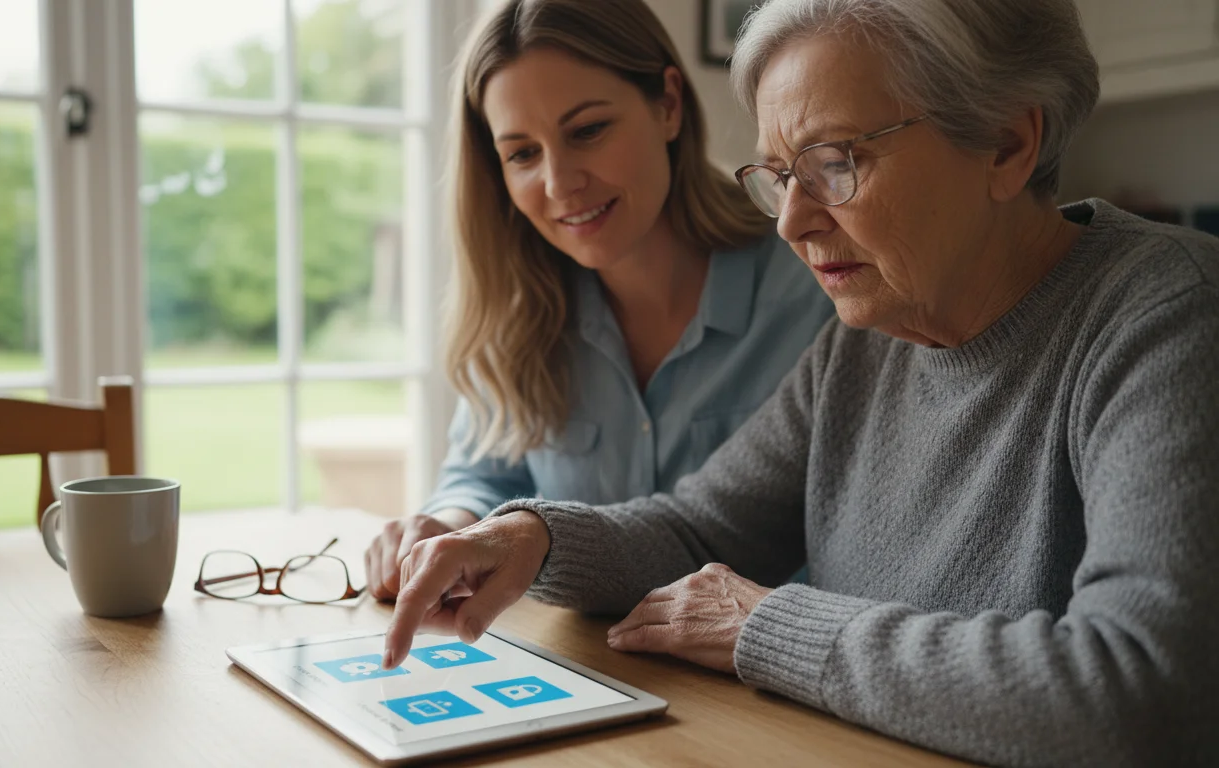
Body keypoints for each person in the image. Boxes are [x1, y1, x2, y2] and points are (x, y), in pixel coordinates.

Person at [379, 0, 1219, 764]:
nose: (791, 221)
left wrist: (767, 624)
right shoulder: (872, 334)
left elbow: (1137, 694)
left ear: (1007, 140)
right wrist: (531, 536)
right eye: (780, 175)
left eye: (835, 161)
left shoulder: (1166, 314)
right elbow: (704, 526)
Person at [362, 0, 834, 599]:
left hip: (758, 676)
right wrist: (449, 528)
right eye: (522, 154)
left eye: (587, 131)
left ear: (667, 105)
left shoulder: (819, 281)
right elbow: (483, 477)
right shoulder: (518, 314)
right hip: (585, 667)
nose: (559, 183)